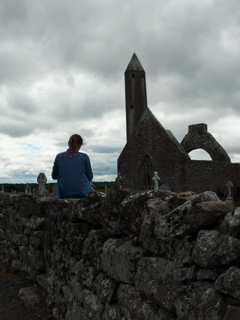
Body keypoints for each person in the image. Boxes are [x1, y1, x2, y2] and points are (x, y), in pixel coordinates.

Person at [52, 134, 94, 199]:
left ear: (68, 143)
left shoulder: (59, 157)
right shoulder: (84, 157)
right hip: (83, 192)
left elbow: (54, 176)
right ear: (80, 145)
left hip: (65, 193)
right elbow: (90, 177)